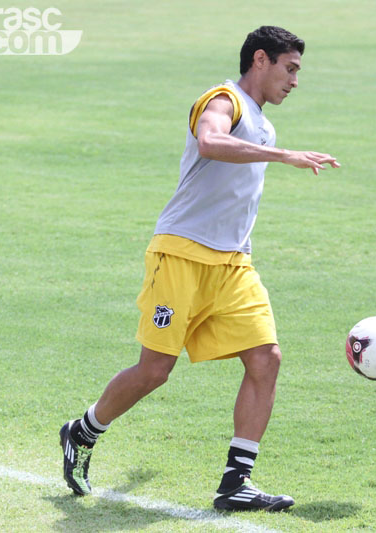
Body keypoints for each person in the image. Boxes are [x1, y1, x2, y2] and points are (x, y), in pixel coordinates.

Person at [59, 25, 339, 511]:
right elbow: (210, 141)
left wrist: (275, 149)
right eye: (289, 69)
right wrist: (284, 156)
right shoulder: (223, 99)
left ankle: (236, 484)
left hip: (233, 264)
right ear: (260, 60)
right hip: (182, 255)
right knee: (154, 371)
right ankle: (81, 432)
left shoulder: (264, 121)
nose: (295, 80)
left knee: (266, 359)